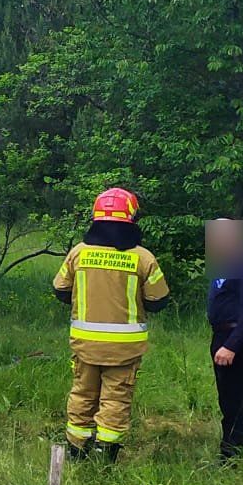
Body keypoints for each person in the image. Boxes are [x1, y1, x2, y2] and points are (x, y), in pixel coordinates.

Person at [52, 188, 171, 460]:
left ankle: (76, 451)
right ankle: (106, 455)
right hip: (124, 350)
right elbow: (158, 300)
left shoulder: (78, 253)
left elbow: (60, 290)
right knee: (116, 400)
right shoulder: (143, 258)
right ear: (131, 217)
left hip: (85, 345)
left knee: (82, 394)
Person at [205, 218, 243, 459]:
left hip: (238, 336)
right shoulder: (225, 264)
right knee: (227, 396)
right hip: (223, 333)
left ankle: (233, 452)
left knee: (236, 397)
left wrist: (230, 346)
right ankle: (232, 445)